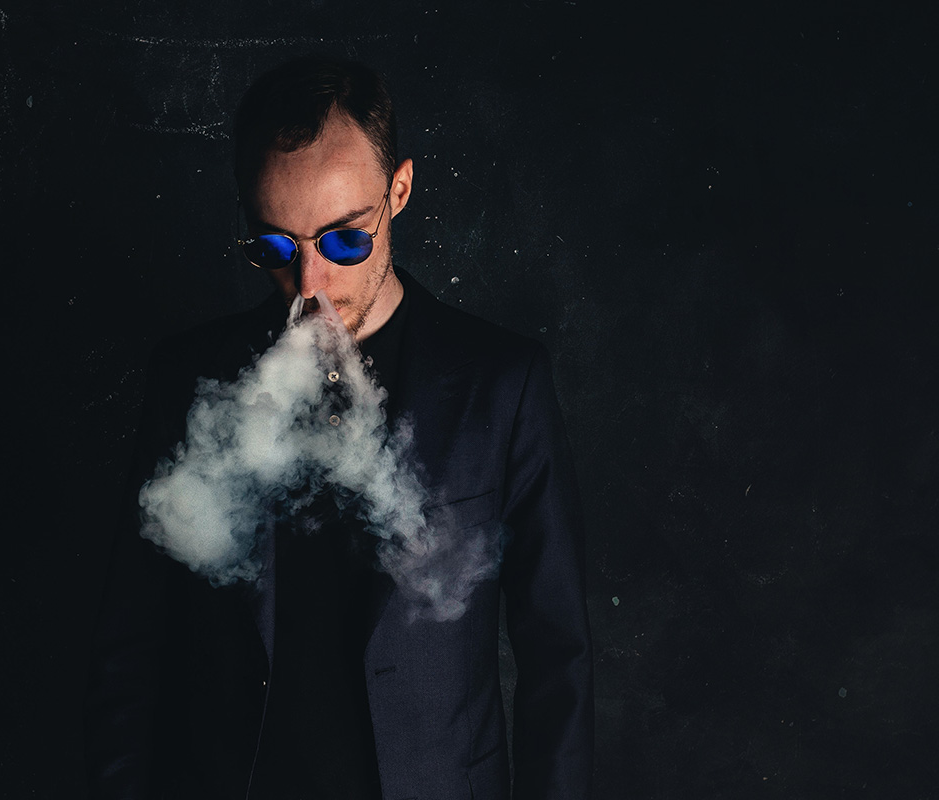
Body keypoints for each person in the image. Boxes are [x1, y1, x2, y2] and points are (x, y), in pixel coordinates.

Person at [84, 56, 593, 800]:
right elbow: (131, 648)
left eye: (344, 240)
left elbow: (557, 658)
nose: (310, 285)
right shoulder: (187, 376)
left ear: (399, 191)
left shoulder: (501, 383)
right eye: (275, 247)